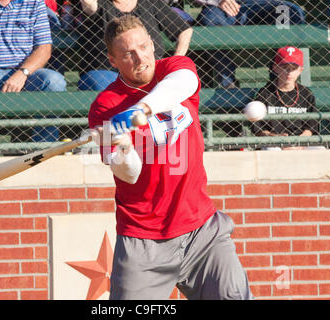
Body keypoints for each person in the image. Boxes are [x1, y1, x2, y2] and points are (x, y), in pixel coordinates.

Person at [88, 14, 253, 300]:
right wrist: (123, 146)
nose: (140, 58)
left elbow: (184, 83)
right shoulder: (105, 107)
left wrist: (141, 110)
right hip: (144, 239)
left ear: (153, 44)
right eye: (128, 53)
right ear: (113, 61)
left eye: (143, 46)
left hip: (201, 229)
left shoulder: (175, 68)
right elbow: (128, 173)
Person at [76, 0, 193, 91]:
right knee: (106, 85)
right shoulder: (101, 4)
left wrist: (175, 60)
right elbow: (89, 5)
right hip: (107, 71)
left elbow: (184, 30)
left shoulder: (150, 3)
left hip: (147, 71)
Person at [192, 0, 306, 88]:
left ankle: (277, 85)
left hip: (271, 5)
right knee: (210, 17)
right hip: (231, 6)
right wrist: (217, 1)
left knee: (290, 12)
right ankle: (227, 85)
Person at [251, 46, 319, 149]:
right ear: (275, 67)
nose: (289, 72)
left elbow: (311, 127)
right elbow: (258, 129)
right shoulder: (265, 93)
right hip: (274, 142)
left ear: (300, 70)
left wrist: (301, 143)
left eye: (294, 68)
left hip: (301, 142)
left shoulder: (306, 93)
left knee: (319, 150)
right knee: (271, 150)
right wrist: (277, 139)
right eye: (284, 67)